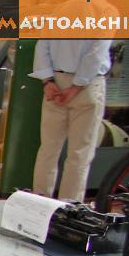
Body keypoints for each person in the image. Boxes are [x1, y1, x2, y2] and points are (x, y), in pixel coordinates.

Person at [31, 38, 111, 203]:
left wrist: (47, 81)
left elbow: (42, 47)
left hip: (56, 82)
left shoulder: (57, 13)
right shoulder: (105, 12)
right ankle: (68, 209)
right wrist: (77, 86)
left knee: (48, 150)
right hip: (87, 86)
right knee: (79, 153)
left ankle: (39, 205)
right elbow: (95, 55)